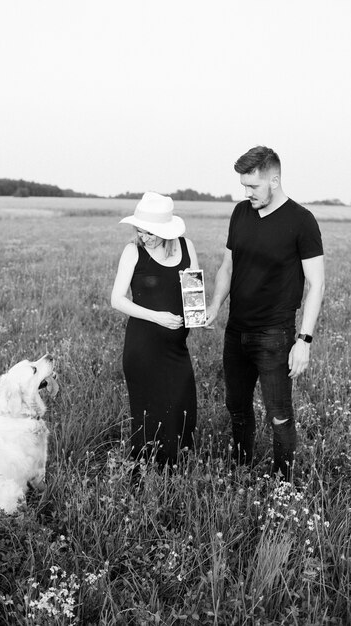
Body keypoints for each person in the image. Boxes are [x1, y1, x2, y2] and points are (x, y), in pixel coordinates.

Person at [205, 146, 325, 481]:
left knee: (279, 416)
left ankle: (283, 483)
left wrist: (304, 340)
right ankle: (241, 471)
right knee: (237, 408)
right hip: (236, 331)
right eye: (244, 186)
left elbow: (316, 284)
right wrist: (215, 304)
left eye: (253, 186)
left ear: (274, 179)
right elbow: (228, 266)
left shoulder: (301, 221)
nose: (247, 193)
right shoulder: (241, 213)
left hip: (275, 335)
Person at [111, 191, 199, 470]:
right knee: (149, 415)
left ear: (165, 229)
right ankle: (144, 473)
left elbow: (192, 293)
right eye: (139, 230)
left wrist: (199, 316)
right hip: (143, 349)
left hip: (176, 349)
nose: (143, 237)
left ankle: (176, 471)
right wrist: (157, 317)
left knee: (184, 409)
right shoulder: (132, 251)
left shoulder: (186, 247)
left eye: (149, 232)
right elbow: (117, 300)